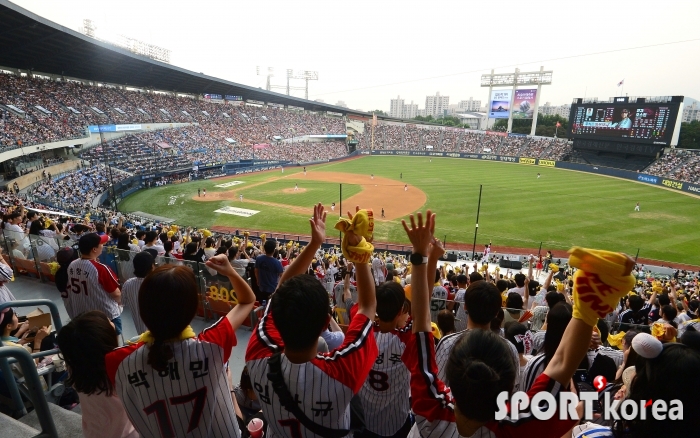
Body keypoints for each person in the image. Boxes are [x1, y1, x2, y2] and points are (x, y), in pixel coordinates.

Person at [407, 215, 638, 437]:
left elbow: (420, 321)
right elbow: (561, 363)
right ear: (509, 389)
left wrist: (420, 255)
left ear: (451, 379)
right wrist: (586, 310)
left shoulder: (430, 410)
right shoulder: (519, 427)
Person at [245, 203, 379, 437]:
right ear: (324, 324)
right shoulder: (342, 372)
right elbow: (367, 306)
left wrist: (315, 244)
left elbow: (281, 289)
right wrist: (358, 249)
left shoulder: (256, 356)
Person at [106, 254, 256, 437]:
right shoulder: (212, 344)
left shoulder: (117, 360)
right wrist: (230, 271)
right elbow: (248, 300)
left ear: (143, 310)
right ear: (192, 309)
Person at [55, 311, 138, 438]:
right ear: (106, 338)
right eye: (110, 323)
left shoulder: (76, 368)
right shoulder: (120, 370)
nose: (113, 324)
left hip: (94, 433)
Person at [357, 281, 413, 438]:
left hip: (365, 419)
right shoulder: (406, 339)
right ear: (402, 310)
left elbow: (362, 304)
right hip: (396, 423)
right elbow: (422, 313)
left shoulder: (363, 334)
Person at [64, 233, 123, 335]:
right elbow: (117, 294)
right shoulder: (100, 269)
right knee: (111, 345)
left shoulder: (72, 265)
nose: (103, 245)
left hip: (82, 315)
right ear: (94, 249)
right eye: (101, 244)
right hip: (105, 316)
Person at [121, 252, 154, 335]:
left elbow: (122, 302)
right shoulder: (158, 283)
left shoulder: (128, 284)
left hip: (140, 331)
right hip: (159, 330)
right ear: (152, 266)